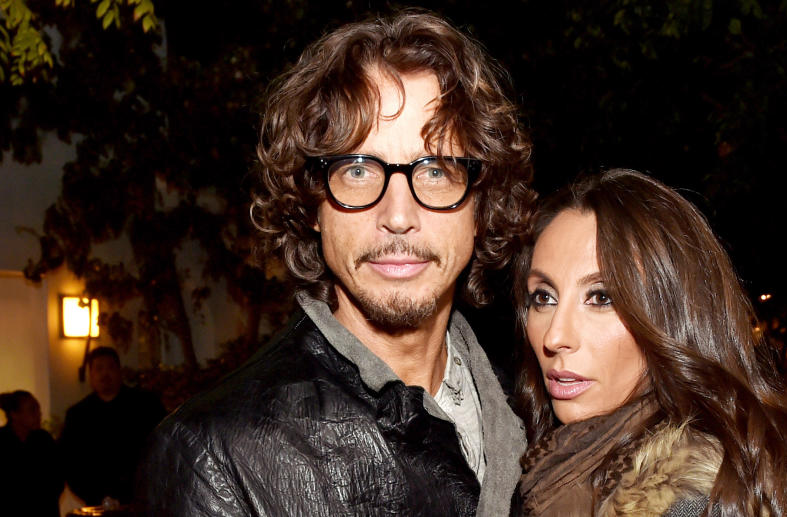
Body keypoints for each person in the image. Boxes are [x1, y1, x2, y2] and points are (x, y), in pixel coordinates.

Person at [138, 10, 533, 516]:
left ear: (482, 204)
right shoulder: (213, 459)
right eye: (358, 169)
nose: (397, 216)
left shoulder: (540, 408)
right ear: (312, 205)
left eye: (436, 170)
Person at [514, 169, 787, 516]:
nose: (554, 337)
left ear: (671, 315)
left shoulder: (697, 501)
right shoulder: (551, 468)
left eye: (601, 297)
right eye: (543, 297)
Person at [60, 346, 166, 506]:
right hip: (96, 502)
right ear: (91, 375)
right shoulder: (78, 414)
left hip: (143, 498)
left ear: (119, 371)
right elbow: (70, 462)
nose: (105, 374)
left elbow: (162, 447)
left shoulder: (145, 405)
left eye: (110, 367)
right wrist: (96, 498)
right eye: (98, 369)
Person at [0, 390, 63, 517]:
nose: (39, 414)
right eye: (32, 410)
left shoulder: (43, 439)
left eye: (38, 409)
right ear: (14, 415)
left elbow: (58, 477)